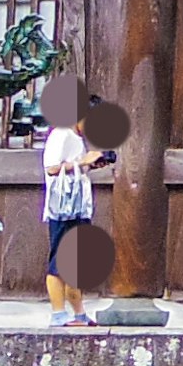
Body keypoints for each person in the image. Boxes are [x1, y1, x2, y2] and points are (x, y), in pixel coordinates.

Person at [39, 109, 112, 324]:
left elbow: (71, 168)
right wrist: (82, 162)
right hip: (63, 208)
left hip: (77, 206)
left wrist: (89, 164)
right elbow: (51, 168)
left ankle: (79, 313)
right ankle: (58, 314)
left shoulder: (75, 138)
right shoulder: (61, 134)